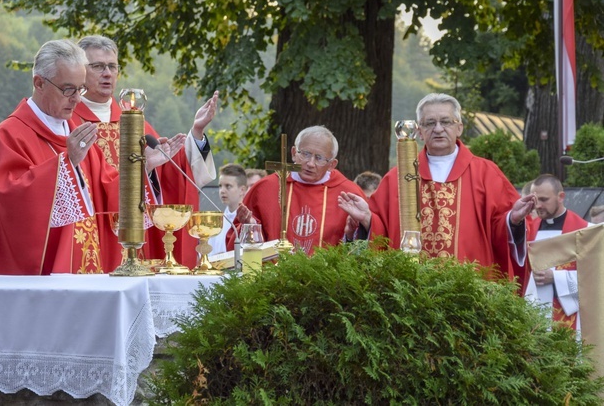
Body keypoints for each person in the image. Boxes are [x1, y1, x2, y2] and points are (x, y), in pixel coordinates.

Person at [339, 93, 535, 281]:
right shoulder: (398, 177)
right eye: (430, 123)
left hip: (472, 290)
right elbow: (383, 232)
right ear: (420, 132)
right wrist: (367, 219)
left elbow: (500, 229)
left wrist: (513, 219)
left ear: (459, 128)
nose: (438, 129)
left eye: (446, 121)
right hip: (412, 292)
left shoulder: (486, 173)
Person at [0, 39, 120, 275]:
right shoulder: (11, 134)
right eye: (68, 89)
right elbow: (13, 204)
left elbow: (107, 188)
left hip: (87, 269)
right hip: (42, 275)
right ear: (39, 83)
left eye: (81, 89)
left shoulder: (75, 132)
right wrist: (67, 163)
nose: (77, 99)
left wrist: (145, 169)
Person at [72, 35, 218, 268]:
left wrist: (197, 133)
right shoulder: (70, 121)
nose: (107, 73)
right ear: (79, 71)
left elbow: (173, 174)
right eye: (98, 66)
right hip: (94, 236)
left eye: (112, 66)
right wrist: (143, 168)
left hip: (138, 240)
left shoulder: (134, 122)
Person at [241, 126, 368, 255]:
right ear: (293, 153)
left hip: (327, 275)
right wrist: (250, 226)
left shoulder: (349, 194)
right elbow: (236, 239)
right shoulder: (266, 189)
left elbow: (369, 244)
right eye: (305, 154)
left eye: (319, 158)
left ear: (332, 164)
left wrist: (352, 234)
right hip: (272, 273)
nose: (310, 163)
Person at [524, 175, 592, 330]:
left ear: (561, 197)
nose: (538, 205)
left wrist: (555, 277)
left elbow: (594, 279)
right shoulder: (528, 231)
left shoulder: (585, 232)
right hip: (533, 315)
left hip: (569, 319)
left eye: (544, 199)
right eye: (535, 200)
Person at [207, 164, 249, 257]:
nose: (222, 190)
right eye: (220, 186)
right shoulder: (216, 222)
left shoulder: (249, 219)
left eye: (228, 186)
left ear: (242, 190)